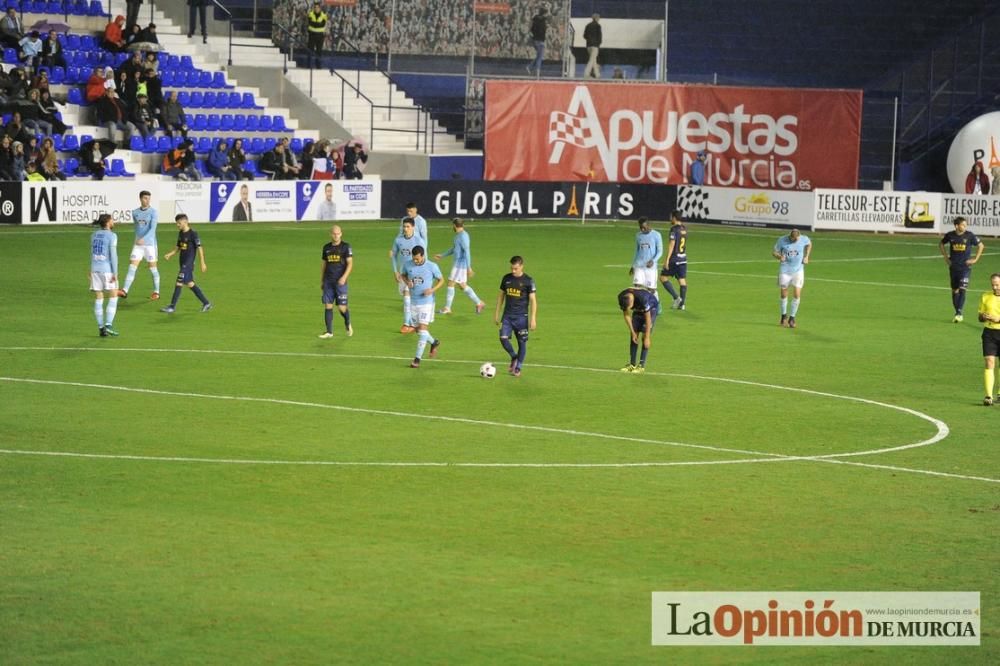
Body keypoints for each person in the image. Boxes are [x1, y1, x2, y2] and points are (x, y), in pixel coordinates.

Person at [400, 245, 444, 368]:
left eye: (418, 259)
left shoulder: (432, 266)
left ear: (423, 256)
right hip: (414, 302)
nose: (415, 261)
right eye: (414, 259)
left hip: (427, 302)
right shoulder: (408, 265)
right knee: (419, 331)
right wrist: (407, 281)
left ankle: (417, 359)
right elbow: (403, 275)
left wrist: (432, 290)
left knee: (423, 329)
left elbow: (441, 280)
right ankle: (434, 342)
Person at [495, 255, 537, 377]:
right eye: (512, 268)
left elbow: (533, 300)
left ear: (521, 266)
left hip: (521, 317)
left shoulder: (528, 281)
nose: (513, 271)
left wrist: (533, 318)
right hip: (507, 316)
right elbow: (501, 296)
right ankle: (514, 356)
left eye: (516, 268)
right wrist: (496, 313)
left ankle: (518, 367)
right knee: (503, 338)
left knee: (521, 343)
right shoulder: (506, 278)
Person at [161, 214, 211, 313]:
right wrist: (170, 254)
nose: (177, 225)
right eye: (177, 223)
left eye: (179, 223)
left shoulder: (193, 234)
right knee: (190, 284)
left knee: (179, 282)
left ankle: (172, 307)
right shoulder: (181, 233)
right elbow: (178, 247)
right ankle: (206, 303)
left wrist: (202, 263)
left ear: (185, 221)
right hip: (182, 263)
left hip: (187, 264)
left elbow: (200, 248)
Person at [434, 217, 485, 315]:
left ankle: (447, 308)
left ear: (454, 225)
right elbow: (454, 249)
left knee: (450, 283)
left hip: (460, 264)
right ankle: (479, 303)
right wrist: (442, 255)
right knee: (462, 286)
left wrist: (469, 267)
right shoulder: (458, 235)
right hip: (459, 264)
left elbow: (467, 252)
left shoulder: (463, 236)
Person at [939, 216, 985, 323]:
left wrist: (975, 259)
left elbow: (981, 245)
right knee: (955, 290)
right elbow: (941, 244)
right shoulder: (950, 235)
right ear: (956, 226)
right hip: (954, 267)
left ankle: (959, 313)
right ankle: (958, 312)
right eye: (962, 225)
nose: (965, 227)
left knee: (963, 289)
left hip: (965, 267)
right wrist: (946, 258)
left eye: (965, 225)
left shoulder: (969, 235)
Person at [119, 190, 160, 300]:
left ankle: (156, 292)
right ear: (140, 199)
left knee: (153, 269)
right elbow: (137, 228)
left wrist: (144, 239)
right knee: (132, 267)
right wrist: (137, 240)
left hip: (150, 245)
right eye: (145, 198)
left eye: (149, 198)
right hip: (138, 245)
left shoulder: (153, 212)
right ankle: (125, 291)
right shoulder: (135, 212)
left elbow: (153, 229)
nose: (147, 200)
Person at [318, 225, 353, 339]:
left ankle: (347, 322)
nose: (336, 235)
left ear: (341, 234)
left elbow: (350, 264)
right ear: (330, 234)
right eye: (334, 233)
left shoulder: (346, 247)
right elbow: (324, 264)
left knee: (341, 308)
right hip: (328, 281)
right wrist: (322, 280)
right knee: (328, 305)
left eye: (338, 233)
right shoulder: (326, 248)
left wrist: (344, 277)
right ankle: (329, 332)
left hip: (340, 282)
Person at [773, 228, 812, 328]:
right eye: (794, 239)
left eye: (797, 239)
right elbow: (774, 252)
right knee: (783, 293)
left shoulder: (804, 239)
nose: (796, 241)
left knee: (797, 294)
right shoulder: (782, 240)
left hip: (798, 270)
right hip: (785, 270)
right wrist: (779, 257)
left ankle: (792, 318)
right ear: (790, 236)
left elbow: (809, 244)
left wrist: (807, 256)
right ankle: (783, 317)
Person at [90, 213, 121, 337]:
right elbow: (113, 255)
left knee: (99, 297)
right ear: (108, 222)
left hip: (95, 268)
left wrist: (91, 269)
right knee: (114, 294)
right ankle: (108, 324)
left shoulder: (93, 235)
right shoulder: (112, 236)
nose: (114, 222)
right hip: (107, 269)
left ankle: (101, 328)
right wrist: (115, 273)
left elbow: (92, 253)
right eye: (112, 220)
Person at [390, 218, 421, 333]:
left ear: (413, 227)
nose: (405, 229)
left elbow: (424, 259)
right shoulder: (398, 240)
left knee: (408, 298)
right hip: (402, 273)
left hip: (414, 273)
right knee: (407, 298)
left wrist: (419, 273)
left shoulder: (418, 241)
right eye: (404, 226)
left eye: (408, 226)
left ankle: (406, 323)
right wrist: (395, 271)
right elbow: (393, 255)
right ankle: (414, 324)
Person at [618, 287, 657, 373]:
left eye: (630, 307)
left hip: (651, 309)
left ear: (632, 302)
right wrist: (632, 332)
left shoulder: (642, 298)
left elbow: (648, 319)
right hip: (638, 310)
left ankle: (641, 366)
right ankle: (632, 365)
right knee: (634, 336)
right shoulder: (622, 297)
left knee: (644, 337)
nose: (629, 310)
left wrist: (647, 337)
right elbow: (626, 315)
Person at [659, 210, 688, 310]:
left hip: (674, 259)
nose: (670, 219)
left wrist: (666, 260)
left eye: (671, 217)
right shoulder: (684, 228)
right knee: (682, 280)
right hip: (683, 258)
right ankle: (682, 304)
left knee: (662, 277)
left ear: (675, 218)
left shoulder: (674, 229)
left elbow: (672, 245)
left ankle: (676, 298)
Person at [978, 273, 1000, 406]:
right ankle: (988, 396)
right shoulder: (985, 296)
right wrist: (984, 316)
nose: (995, 287)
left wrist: (998, 319)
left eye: (997, 284)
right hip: (989, 333)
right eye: (993, 285)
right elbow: (979, 317)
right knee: (989, 361)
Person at [630, 216, 662, 305]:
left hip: (651, 268)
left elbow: (660, 251)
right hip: (639, 266)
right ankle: (638, 306)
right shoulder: (638, 236)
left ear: (648, 225)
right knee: (637, 287)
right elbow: (637, 251)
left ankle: (657, 306)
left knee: (651, 290)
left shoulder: (656, 235)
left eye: (644, 227)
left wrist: (653, 261)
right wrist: (633, 265)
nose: (642, 229)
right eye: (640, 227)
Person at [526, 5, 550, 76]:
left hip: (534, 39)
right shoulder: (544, 20)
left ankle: (529, 67)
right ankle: (537, 72)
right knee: (540, 57)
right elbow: (544, 30)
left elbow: (530, 28)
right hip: (540, 40)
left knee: (539, 55)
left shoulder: (535, 18)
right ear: (544, 13)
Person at [582, 13, 602, 79]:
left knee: (594, 60)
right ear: (596, 18)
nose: (599, 19)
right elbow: (599, 36)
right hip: (595, 45)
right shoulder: (598, 26)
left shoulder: (588, 25)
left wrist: (589, 40)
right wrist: (598, 44)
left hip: (588, 45)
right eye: (598, 18)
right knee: (592, 60)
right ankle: (586, 73)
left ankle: (597, 75)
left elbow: (584, 35)